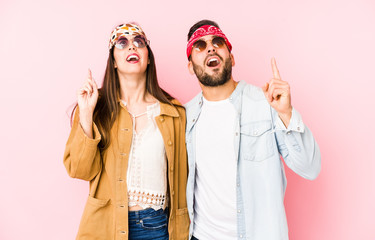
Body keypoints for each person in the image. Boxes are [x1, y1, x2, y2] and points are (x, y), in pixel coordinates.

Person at [184, 20, 321, 240]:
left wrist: (286, 113)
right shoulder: (185, 116)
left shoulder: (266, 103)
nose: (210, 47)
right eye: (199, 46)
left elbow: (310, 168)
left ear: (231, 57)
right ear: (190, 66)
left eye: (218, 42)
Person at [63, 23, 189, 240]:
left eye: (139, 42)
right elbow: (79, 170)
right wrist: (86, 113)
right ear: (113, 61)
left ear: (148, 58)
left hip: (156, 227)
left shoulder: (173, 112)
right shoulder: (97, 107)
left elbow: (186, 176)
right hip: (106, 226)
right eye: (122, 43)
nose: (132, 46)